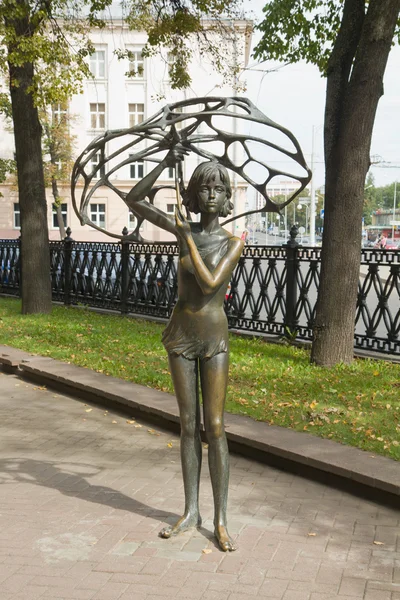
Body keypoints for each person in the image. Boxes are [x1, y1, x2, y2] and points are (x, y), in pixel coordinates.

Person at [125, 145, 244, 552]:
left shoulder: (234, 241)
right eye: (204, 187)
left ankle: (221, 519)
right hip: (180, 334)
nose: (211, 195)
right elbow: (134, 199)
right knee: (187, 423)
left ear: (227, 197)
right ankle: (191, 511)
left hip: (214, 338)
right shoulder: (183, 228)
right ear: (193, 194)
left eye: (218, 188)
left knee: (215, 425)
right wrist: (162, 160)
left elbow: (211, 283)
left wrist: (185, 236)